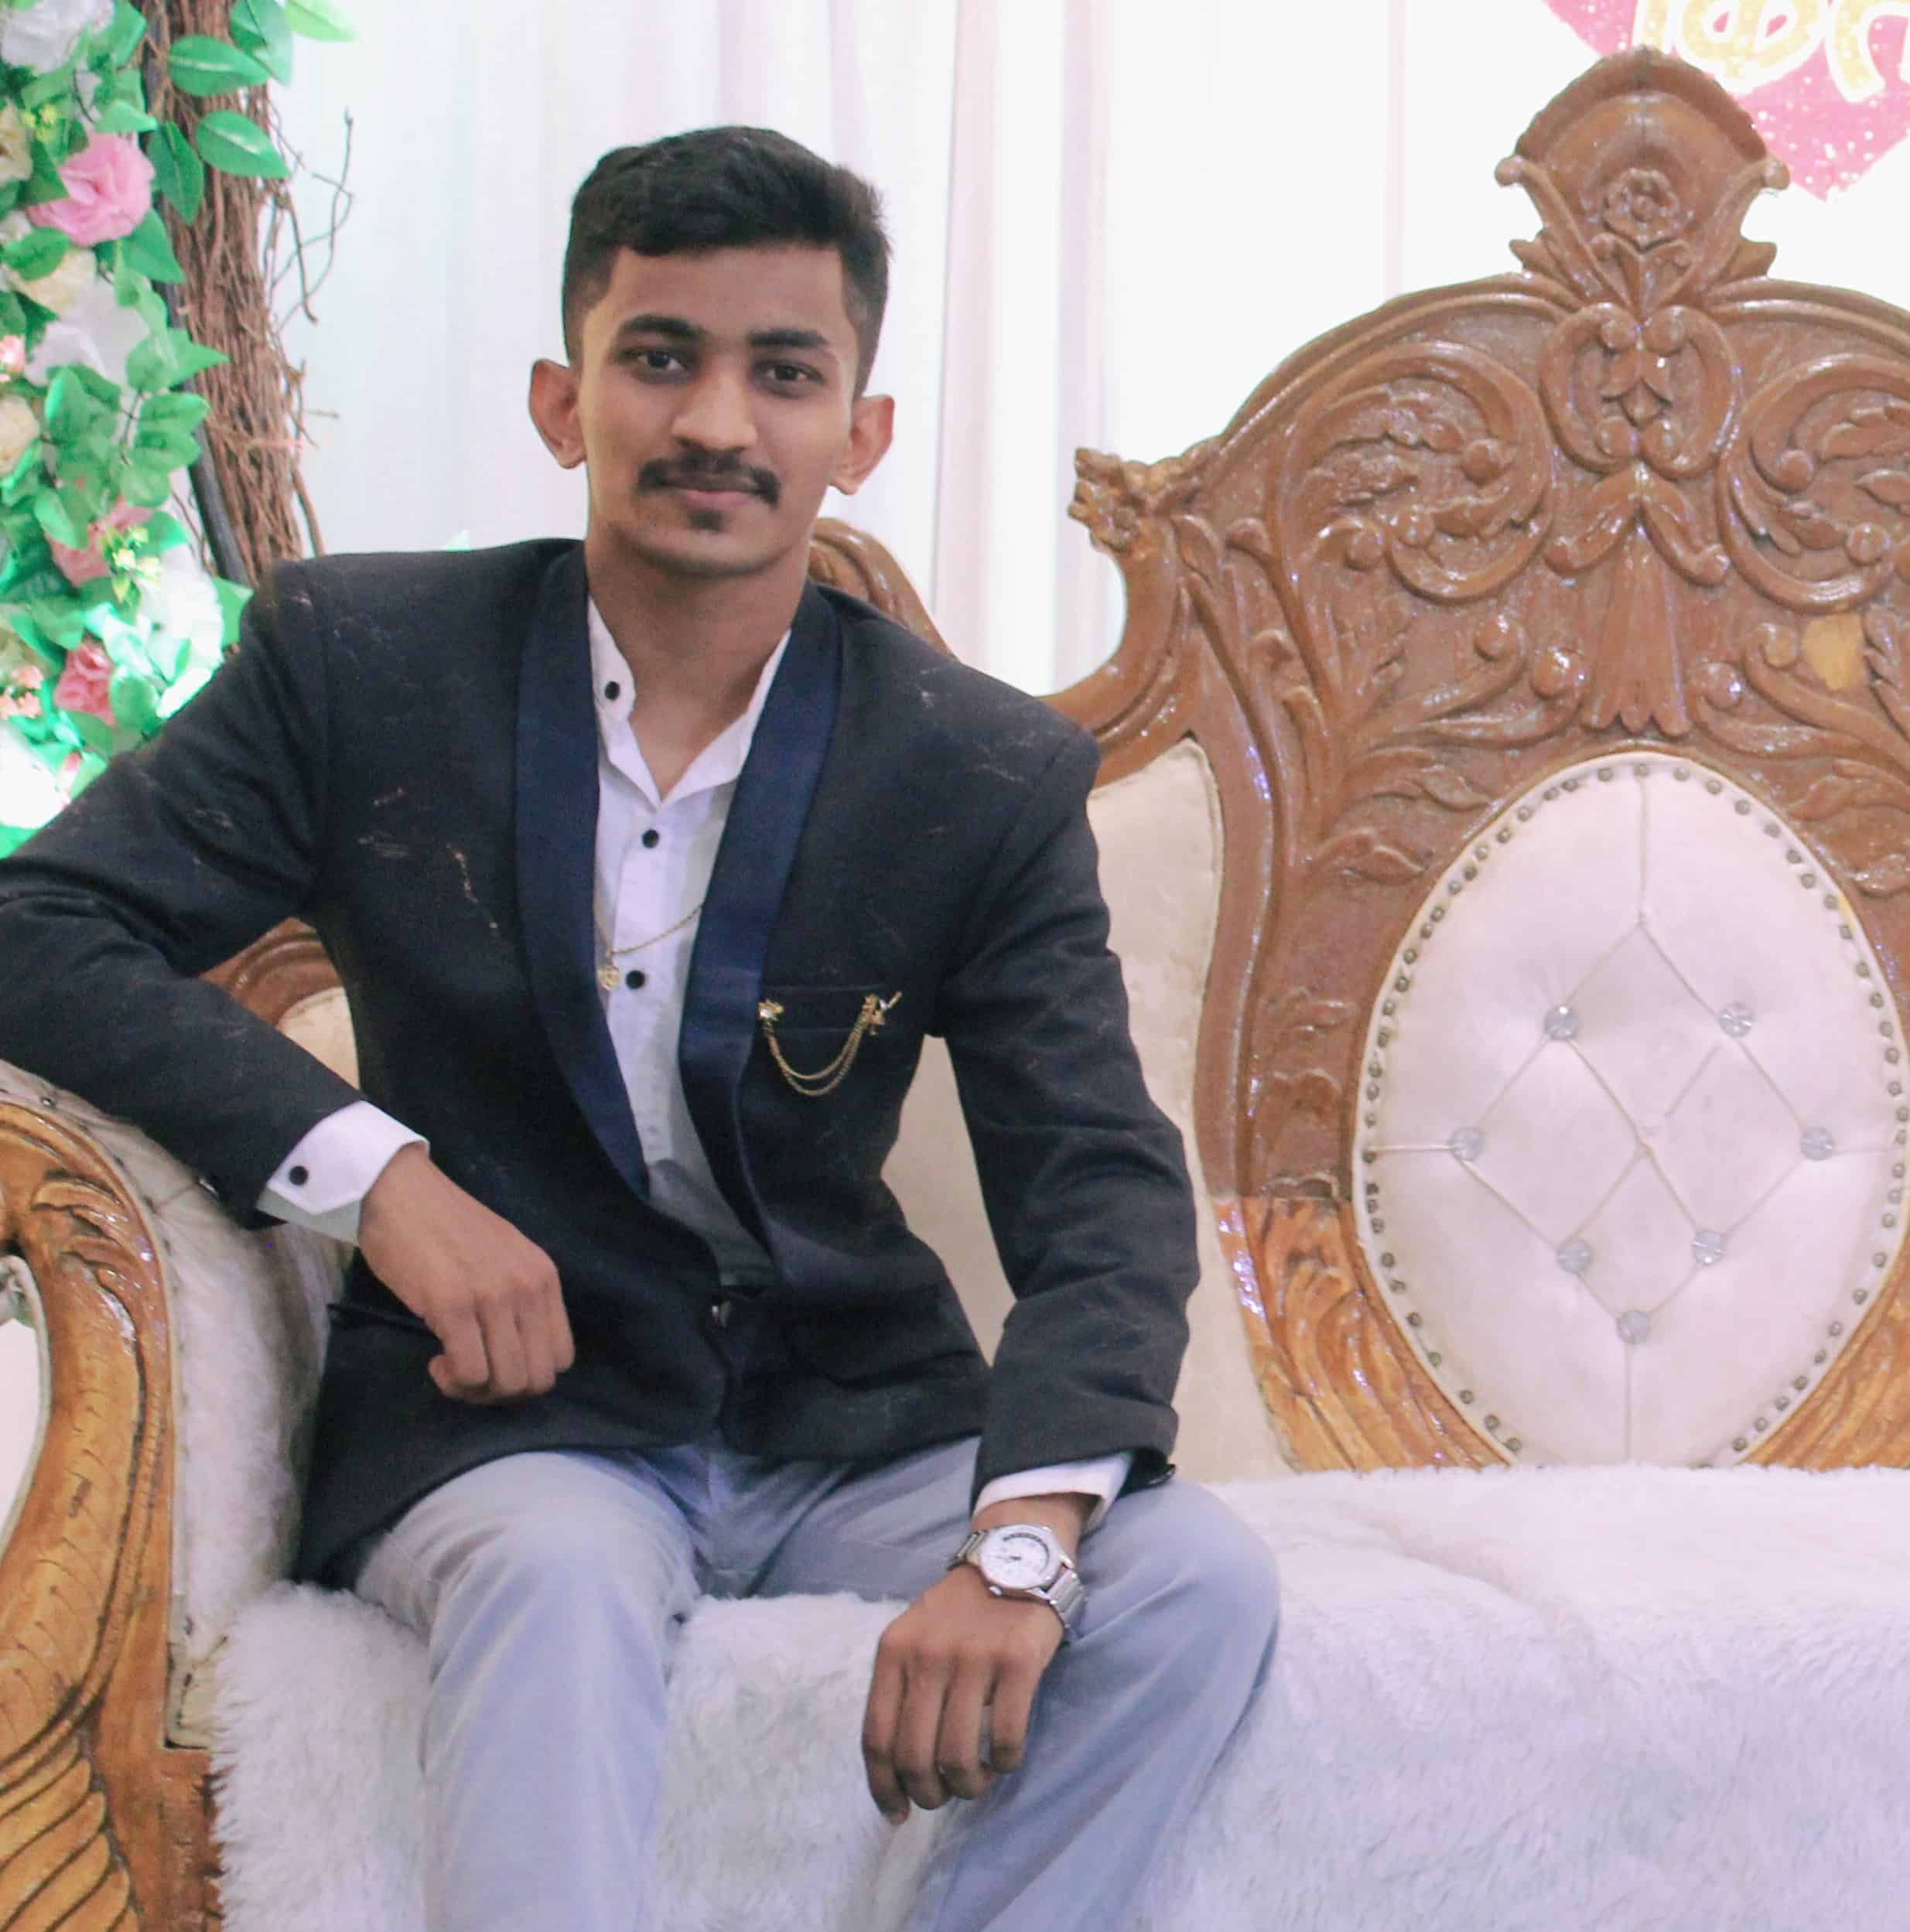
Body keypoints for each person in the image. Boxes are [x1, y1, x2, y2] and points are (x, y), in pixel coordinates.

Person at [0, 125, 1276, 1932]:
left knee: (1196, 1585)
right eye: (661, 358)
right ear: (563, 398)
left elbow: (1098, 1185)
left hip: (850, 1425)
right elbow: (39, 926)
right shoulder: (362, 664)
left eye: (785, 374)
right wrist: (380, 1180)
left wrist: (1019, 1541)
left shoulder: (975, 769)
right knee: (554, 1577)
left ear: (861, 432)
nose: (718, 424)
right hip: (520, 1429)